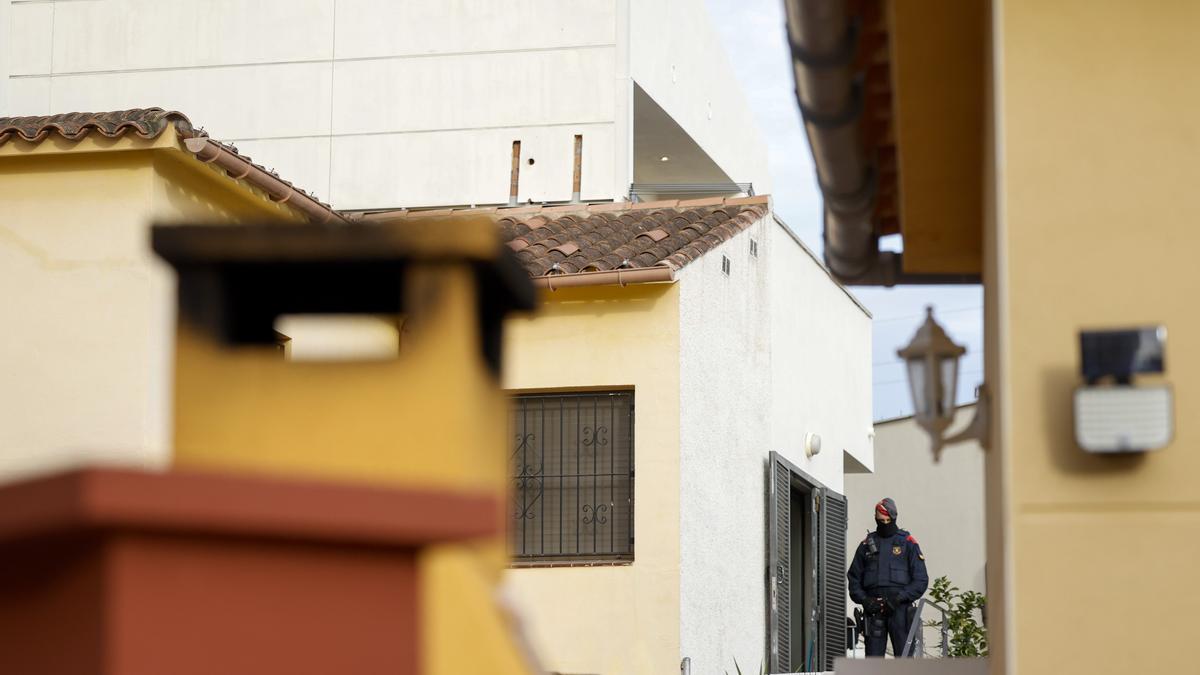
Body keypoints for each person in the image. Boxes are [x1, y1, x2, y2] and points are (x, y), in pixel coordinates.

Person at [847, 497, 929, 657]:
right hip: (873, 610)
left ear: (894, 518)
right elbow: (854, 579)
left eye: (887, 520)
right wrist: (864, 600)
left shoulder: (908, 543)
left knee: (905, 660)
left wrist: (899, 598)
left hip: (900, 609)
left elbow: (921, 580)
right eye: (879, 521)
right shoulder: (866, 545)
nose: (884, 524)